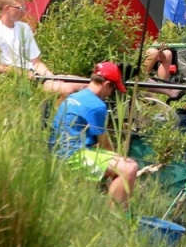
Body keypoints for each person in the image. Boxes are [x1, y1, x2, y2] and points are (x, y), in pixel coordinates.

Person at [50, 62, 138, 210]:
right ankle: (114, 217)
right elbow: (105, 145)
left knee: (123, 165)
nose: (111, 94)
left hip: (59, 152)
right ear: (107, 84)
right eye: (113, 89)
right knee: (129, 168)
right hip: (72, 156)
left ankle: (107, 204)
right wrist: (119, 158)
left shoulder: (77, 95)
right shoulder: (97, 105)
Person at [0, 0, 87, 101]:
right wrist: (18, 72)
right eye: (20, 7)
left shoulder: (24, 28)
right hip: (15, 80)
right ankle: (55, 116)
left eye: (24, 7)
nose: (23, 11)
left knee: (83, 83)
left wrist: (50, 77)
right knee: (66, 89)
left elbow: (36, 62)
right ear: (7, 8)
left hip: (35, 75)